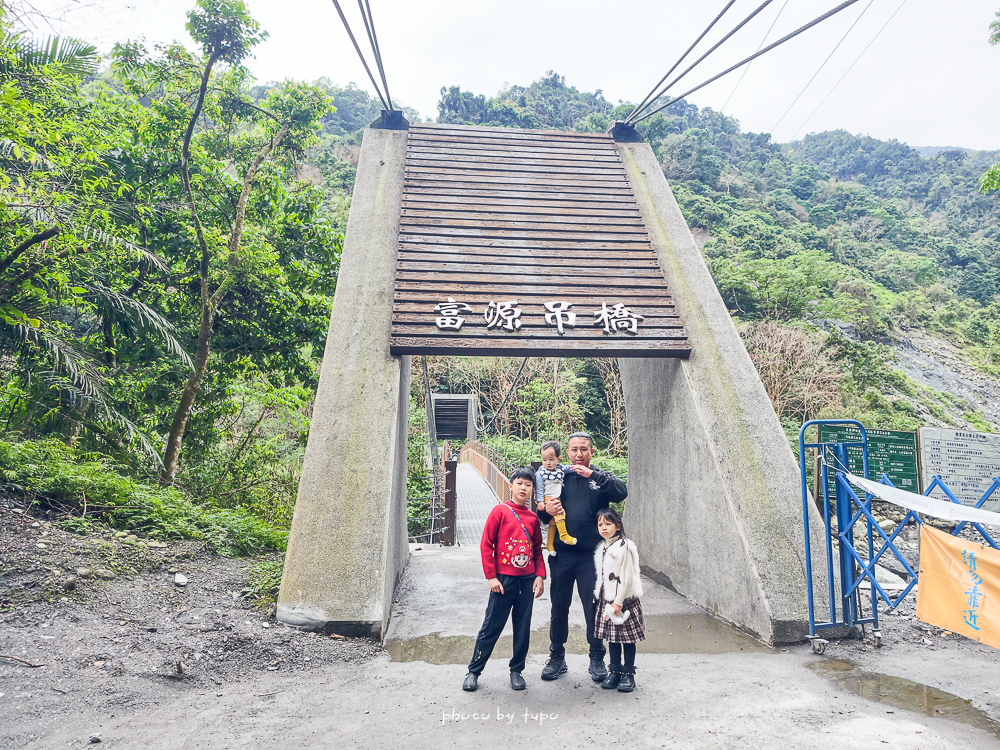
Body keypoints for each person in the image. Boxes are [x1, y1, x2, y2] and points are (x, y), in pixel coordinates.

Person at [537, 431, 627, 683]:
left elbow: (622, 493)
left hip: (593, 557)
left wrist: (594, 475)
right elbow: (543, 515)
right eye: (574, 449)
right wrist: (547, 510)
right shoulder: (558, 476)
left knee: (594, 608)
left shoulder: (600, 478)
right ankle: (557, 656)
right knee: (559, 607)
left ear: (591, 452)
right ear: (567, 453)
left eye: (584, 449)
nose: (579, 454)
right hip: (563, 555)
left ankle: (597, 657)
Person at [463, 466, 546, 692]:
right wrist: (491, 577)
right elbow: (486, 544)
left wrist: (540, 575)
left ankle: (517, 670)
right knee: (492, 626)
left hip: (527, 581)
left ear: (532, 491)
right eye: (519, 483)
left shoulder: (532, 519)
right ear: (511, 486)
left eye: (528, 485)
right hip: (503, 581)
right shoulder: (499, 511)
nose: (523, 488)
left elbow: (537, 550)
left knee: (522, 627)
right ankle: (474, 670)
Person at [593, 507, 644, 692]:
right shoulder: (603, 547)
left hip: (624, 600)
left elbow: (627, 577)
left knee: (628, 639)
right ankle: (614, 671)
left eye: (608, 523)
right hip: (608, 600)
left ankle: (628, 674)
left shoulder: (626, 546)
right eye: (600, 524)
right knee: (612, 639)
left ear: (618, 525)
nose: (604, 528)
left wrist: (619, 601)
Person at [535, 440, 576, 551]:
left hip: (557, 496)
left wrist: (578, 468)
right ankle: (564, 535)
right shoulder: (540, 473)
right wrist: (540, 501)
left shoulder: (560, 469)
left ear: (558, 459)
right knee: (560, 513)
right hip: (548, 498)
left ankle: (549, 544)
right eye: (544, 460)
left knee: (553, 523)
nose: (547, 463)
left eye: (551, 459)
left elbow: (570, 468)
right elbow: (539, 488)